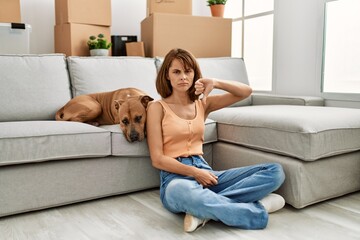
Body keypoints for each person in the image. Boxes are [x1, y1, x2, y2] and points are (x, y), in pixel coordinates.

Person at [146, 48, 285, 232]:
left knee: (275, 171)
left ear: (195, 74)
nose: (183, 77)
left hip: (207, 173)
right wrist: (195, 173)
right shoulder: (157, 107)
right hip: (176, 179)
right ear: (167, 76)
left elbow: (246, 91)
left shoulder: (203, 103)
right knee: (187, 194)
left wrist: (215, 82)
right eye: (176, 72)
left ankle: (202, 212)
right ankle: (258, 209)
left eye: (188, 71)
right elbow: (157, 159)